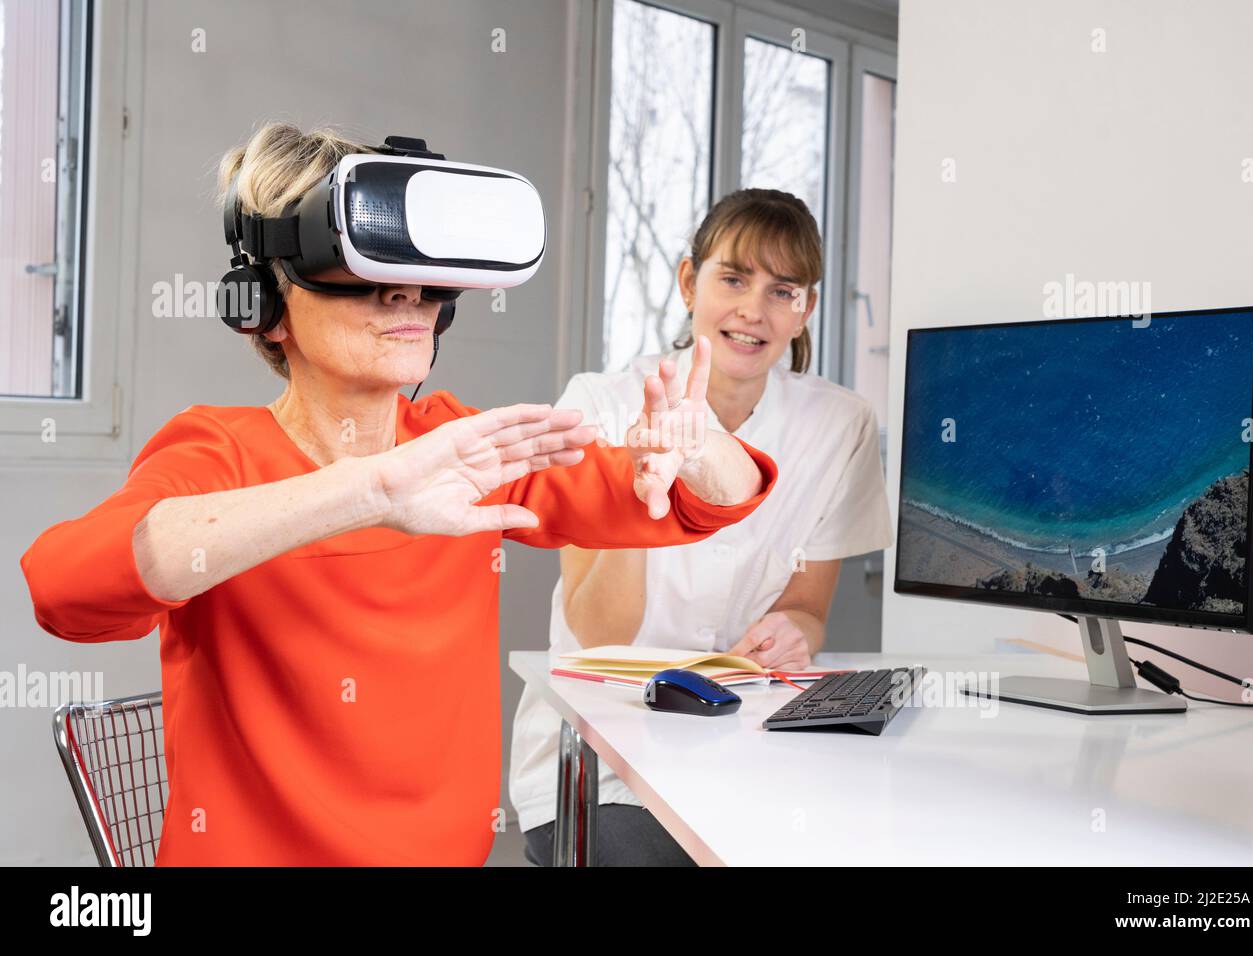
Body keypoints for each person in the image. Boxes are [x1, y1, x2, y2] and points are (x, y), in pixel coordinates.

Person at [18, 123, 778, 866]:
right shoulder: (219, 452)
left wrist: (694, 441)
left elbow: (702, 502)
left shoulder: (463, 445)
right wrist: (369, 490)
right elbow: (64, 589)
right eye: (362, 267)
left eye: (419, 272)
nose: (405, 294)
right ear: (268, 302)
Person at [509, 188, 893, 866]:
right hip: (601, 760)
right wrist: (636, 490)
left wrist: (794, 633)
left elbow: (808, 608)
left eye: (784, 290)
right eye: (734, 278)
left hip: (749, 743)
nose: (754, 310)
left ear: (806, 310)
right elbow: (599, 635)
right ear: (690, 282)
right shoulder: (599, 404)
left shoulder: (841, 425)